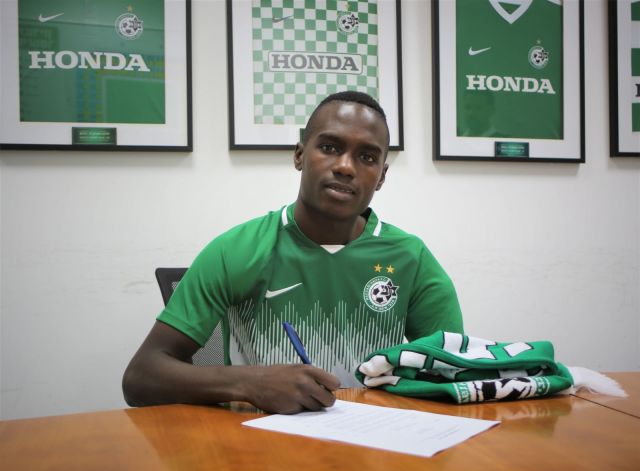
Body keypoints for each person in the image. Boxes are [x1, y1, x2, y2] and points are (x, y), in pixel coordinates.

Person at [122, 91, 463, 414]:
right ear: (299, 155)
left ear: (382, 176)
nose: (346, 166)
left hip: (374, 442)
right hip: (256, 440)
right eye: (329, 147)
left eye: (367, 157)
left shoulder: (411, 259)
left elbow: (456, 372)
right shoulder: (237, 250)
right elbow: (141, 377)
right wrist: (250, 383)